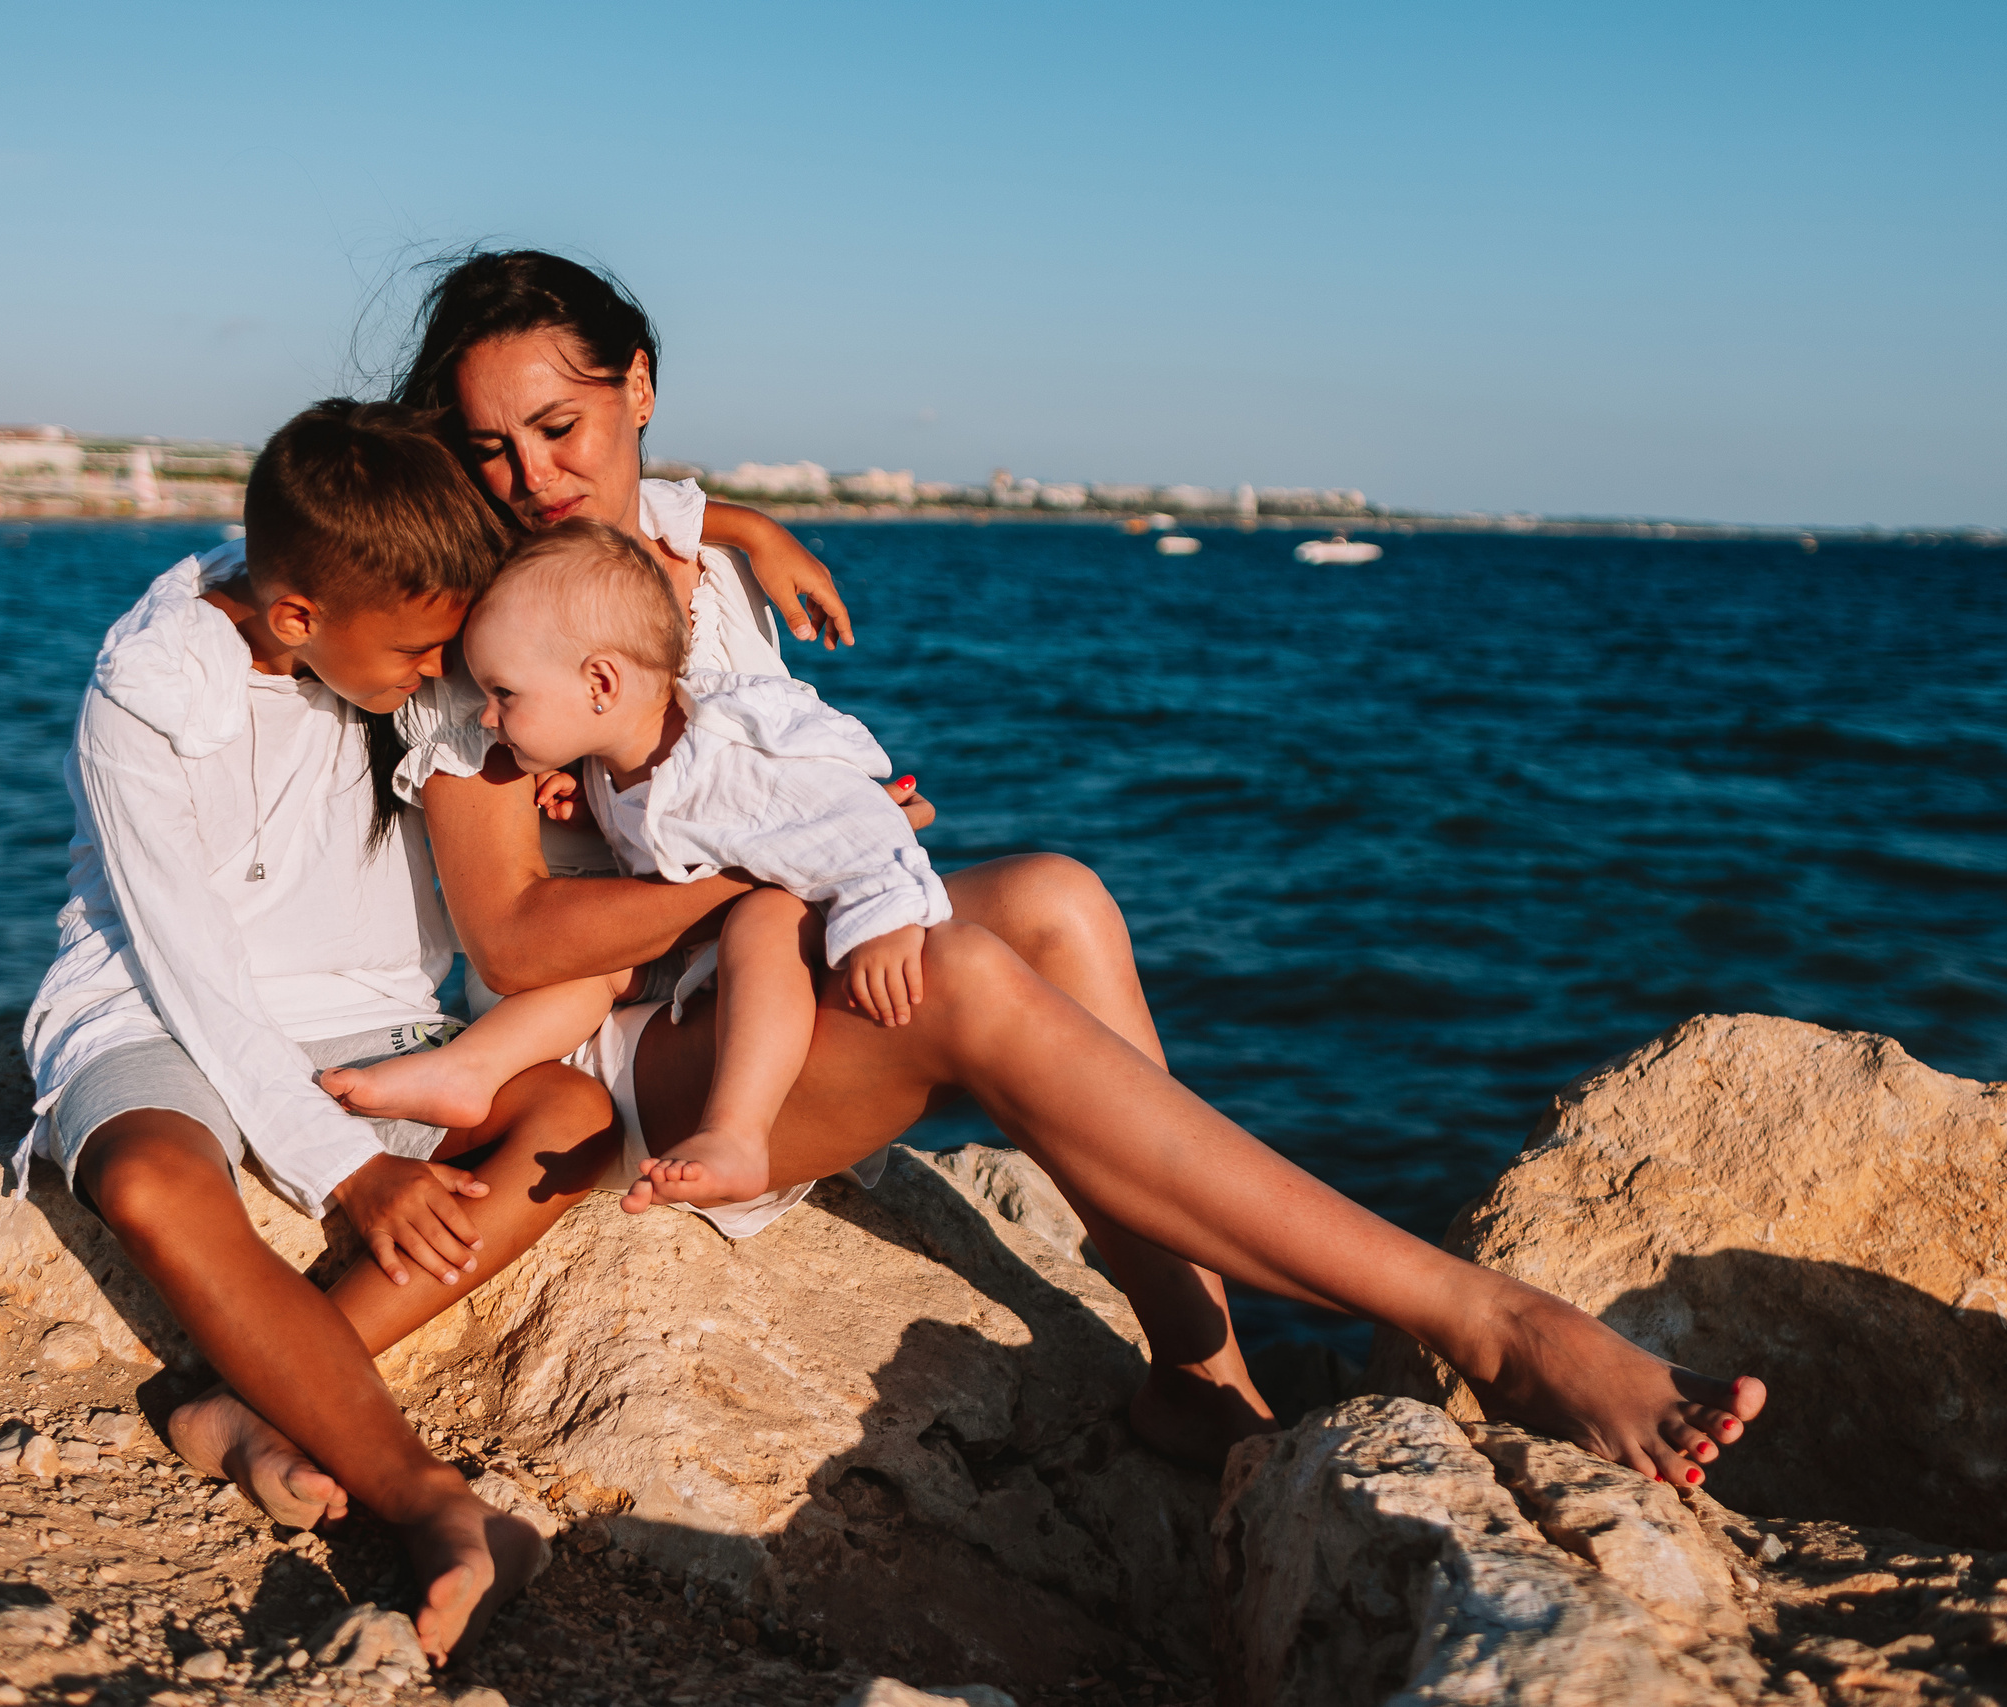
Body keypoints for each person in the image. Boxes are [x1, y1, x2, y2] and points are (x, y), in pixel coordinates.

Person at [302, 249, 1767, 1489]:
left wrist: (758, 603)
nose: (530, 474)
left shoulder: (696, 566)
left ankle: (1200, 1372)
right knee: (960, 970)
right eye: (491, 447)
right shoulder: (485, 643)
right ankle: (1486, 1319)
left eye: (561, 425)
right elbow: (510, 934)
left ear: (640, 391)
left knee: (1059, 890)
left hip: (757, 987)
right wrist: (753, 888)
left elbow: (696, 578)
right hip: (640, 1053)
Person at [15, 396, 852, 1664]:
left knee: (568, 1117)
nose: (436, 681)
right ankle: (431, 1504)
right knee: (146, 1176)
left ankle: (238, 1402)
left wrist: (726, 520)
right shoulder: (150, 694)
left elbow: (550, 527)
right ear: (299, 618)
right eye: (416, 659)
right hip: (152, 1002)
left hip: (363, 1012)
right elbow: (187, 966)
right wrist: (344, 1170)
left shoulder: (387, 599)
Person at [319, 519, 947, 1210]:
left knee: (767, 915)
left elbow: (859, 819)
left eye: (504, 695)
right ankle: (469, 1070)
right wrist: (589, 809)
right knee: (595, 964)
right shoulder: (610, 763)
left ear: (600, 682)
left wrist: (886, 920)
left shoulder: (727, 749)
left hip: (782, 962)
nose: (488, 718)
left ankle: (737, 1132)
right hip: (690, 966)